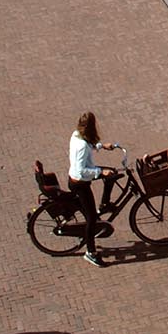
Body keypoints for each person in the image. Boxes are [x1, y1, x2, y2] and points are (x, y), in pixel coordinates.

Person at [68, 112, 123, 264]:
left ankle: (105, 204)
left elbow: (89, 145)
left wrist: (101, 146)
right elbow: (81, 170)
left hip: (81, 177)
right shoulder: (82, 147)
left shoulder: (77, 135)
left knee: (111, 175)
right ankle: (90, 252)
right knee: (91, 218)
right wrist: (100, 171)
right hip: (80, 183)